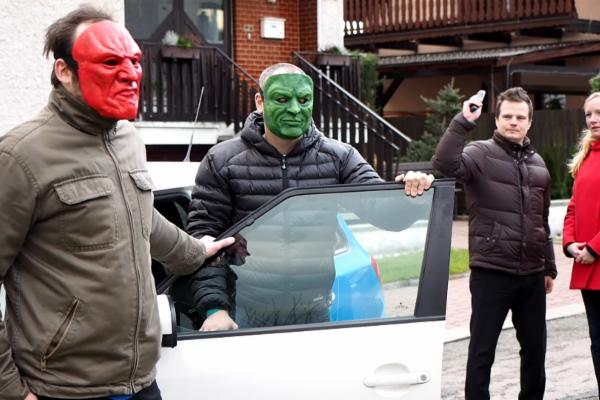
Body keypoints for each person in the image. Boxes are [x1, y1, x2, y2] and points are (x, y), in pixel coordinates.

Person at [0, 6, 233, 400]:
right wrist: (11, 390)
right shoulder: (21, 156)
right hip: (63, 390)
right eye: (110, 62)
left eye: (134, 61)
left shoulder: (128, 139)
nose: (130, 74)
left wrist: (196, 252)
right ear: (64, 70)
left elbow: (143, 219)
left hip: (142, 382)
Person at [176, 62, 434, 331]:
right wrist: (215, 309)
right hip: (245, 311)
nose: (294, 109)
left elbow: (384, 212)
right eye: (282, 99)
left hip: (314, 311)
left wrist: (411, 195)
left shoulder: (339, 157)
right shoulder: (222, 160)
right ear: (260, 102)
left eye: (303, 100)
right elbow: (205, 239)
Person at [432, 87, 556, 400]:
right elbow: (444, 165)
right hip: (492, 271)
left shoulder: (539, 164)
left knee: (535, 351)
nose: (514, 122)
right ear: (497, 119)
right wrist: (462, 121)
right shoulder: (479, 153)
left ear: (529, 122)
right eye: (508, 116)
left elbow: (542, 220)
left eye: (520, 117)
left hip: (532, 274)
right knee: (482, 351)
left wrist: (549, 267)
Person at [563, 91, 600, 394]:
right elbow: (573, 206)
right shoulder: (586, 157)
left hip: (595, 256)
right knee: (598, 341)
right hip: (589, 266)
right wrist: (570, 243)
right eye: (588, 114)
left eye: (599, 113)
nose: (593, 119)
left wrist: (594, 248)